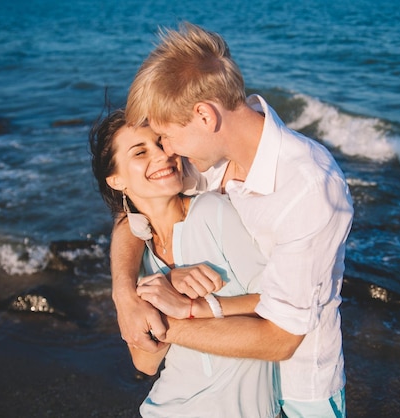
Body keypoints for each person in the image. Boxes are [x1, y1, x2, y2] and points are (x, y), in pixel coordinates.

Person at [113, 22, 354, 417]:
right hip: (230, 388)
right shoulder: (208, 161)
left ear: (205, 116)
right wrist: (124, 295)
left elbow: (281, 340)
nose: (167, 151)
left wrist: (157, 323)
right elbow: (133, 212)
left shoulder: (308, 190)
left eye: (167, 135)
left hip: (298, 389)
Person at [89, 109, 279, 418]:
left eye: (161, 143)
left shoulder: (211, 212)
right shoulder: (140, 255)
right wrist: (165, 288)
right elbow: (145, 363)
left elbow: (279, 303)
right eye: (140, 152)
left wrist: (190, 305)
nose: (162, 156)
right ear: (116, 179)